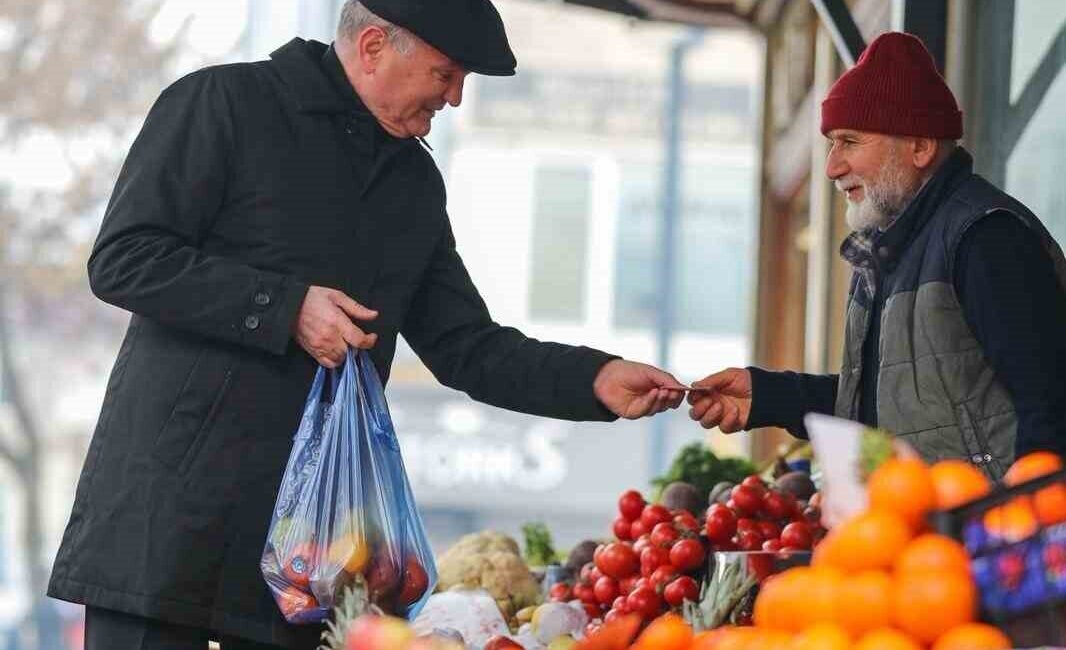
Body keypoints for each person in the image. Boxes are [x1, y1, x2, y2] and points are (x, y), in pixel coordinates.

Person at [47, 1, 686, 647]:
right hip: (165, 526)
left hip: (309, 552)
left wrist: (595, 379)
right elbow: (125, 260)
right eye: (446, 73)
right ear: (375, 45)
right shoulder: (223, 102)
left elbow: (467, 347)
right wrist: (286, 306)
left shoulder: (412, 181)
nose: (456, 99)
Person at [687, 32, 1066, 477]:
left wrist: (1016, 532)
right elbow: (883, 408)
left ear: (920, 147)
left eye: (849, 141)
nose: (831, 166)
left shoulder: (987, 238)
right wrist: (768, 395)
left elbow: (1052, 408)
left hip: (984, 537)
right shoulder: (891, 250)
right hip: (918, 531)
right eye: (831, 143)